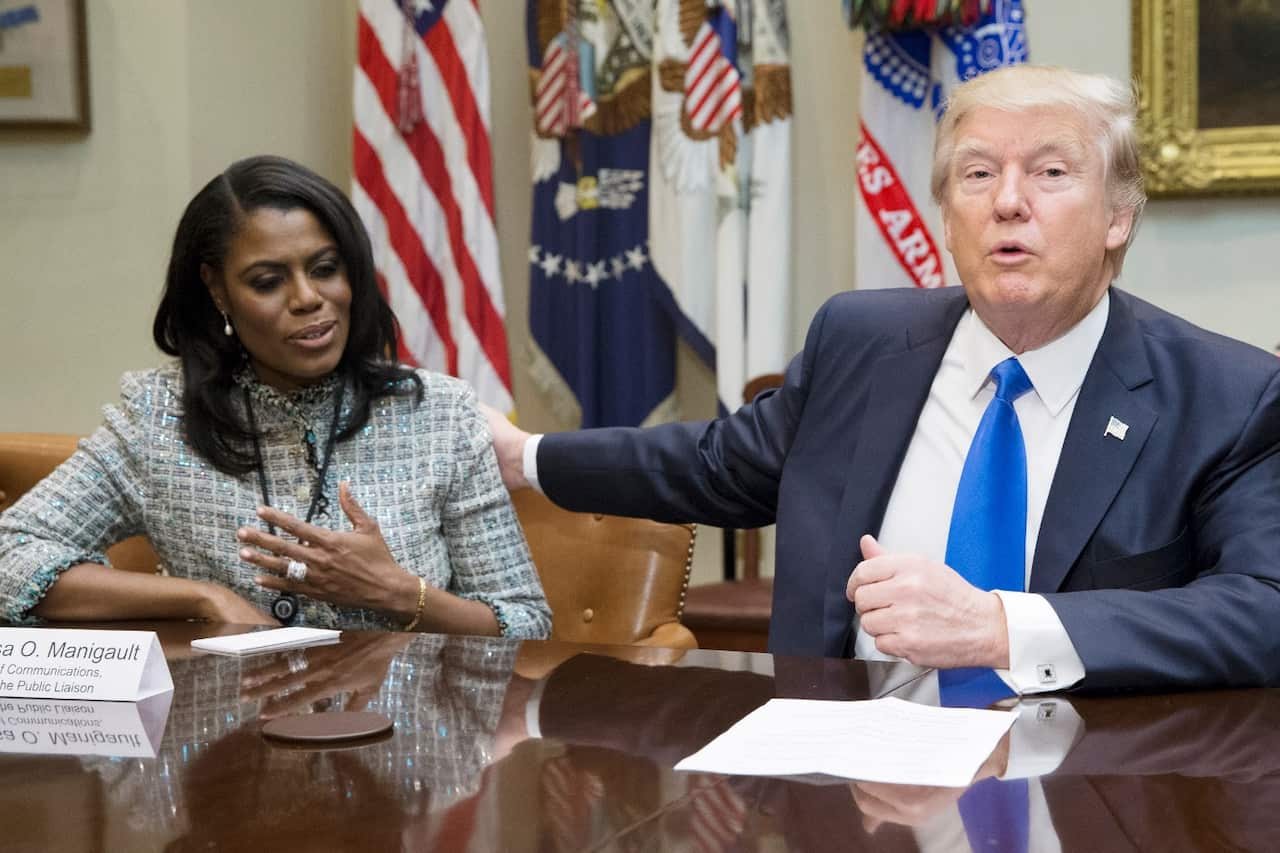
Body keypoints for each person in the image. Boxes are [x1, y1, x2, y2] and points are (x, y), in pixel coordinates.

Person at [486, 65, 1280, 691]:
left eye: (1049, 172)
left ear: (1118, 216)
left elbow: (1263, 609)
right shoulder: (861, 343)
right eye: (977, 174)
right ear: (946, 218)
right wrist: (525, 458)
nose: (1008, 202)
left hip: (1082, 789)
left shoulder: (1227, 397)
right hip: (846, 783)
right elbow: (716, 464)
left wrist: (1002, 629)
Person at [0, 155, 550, 638]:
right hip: (226, 720)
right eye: (268, 282)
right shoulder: (159, 417)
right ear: (217, 289)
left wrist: (401, 594)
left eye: (325, 269)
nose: (308, 298)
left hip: (407, 721)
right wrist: (201, 598)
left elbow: (526, 622)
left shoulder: (439, 414)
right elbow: (11, 555)